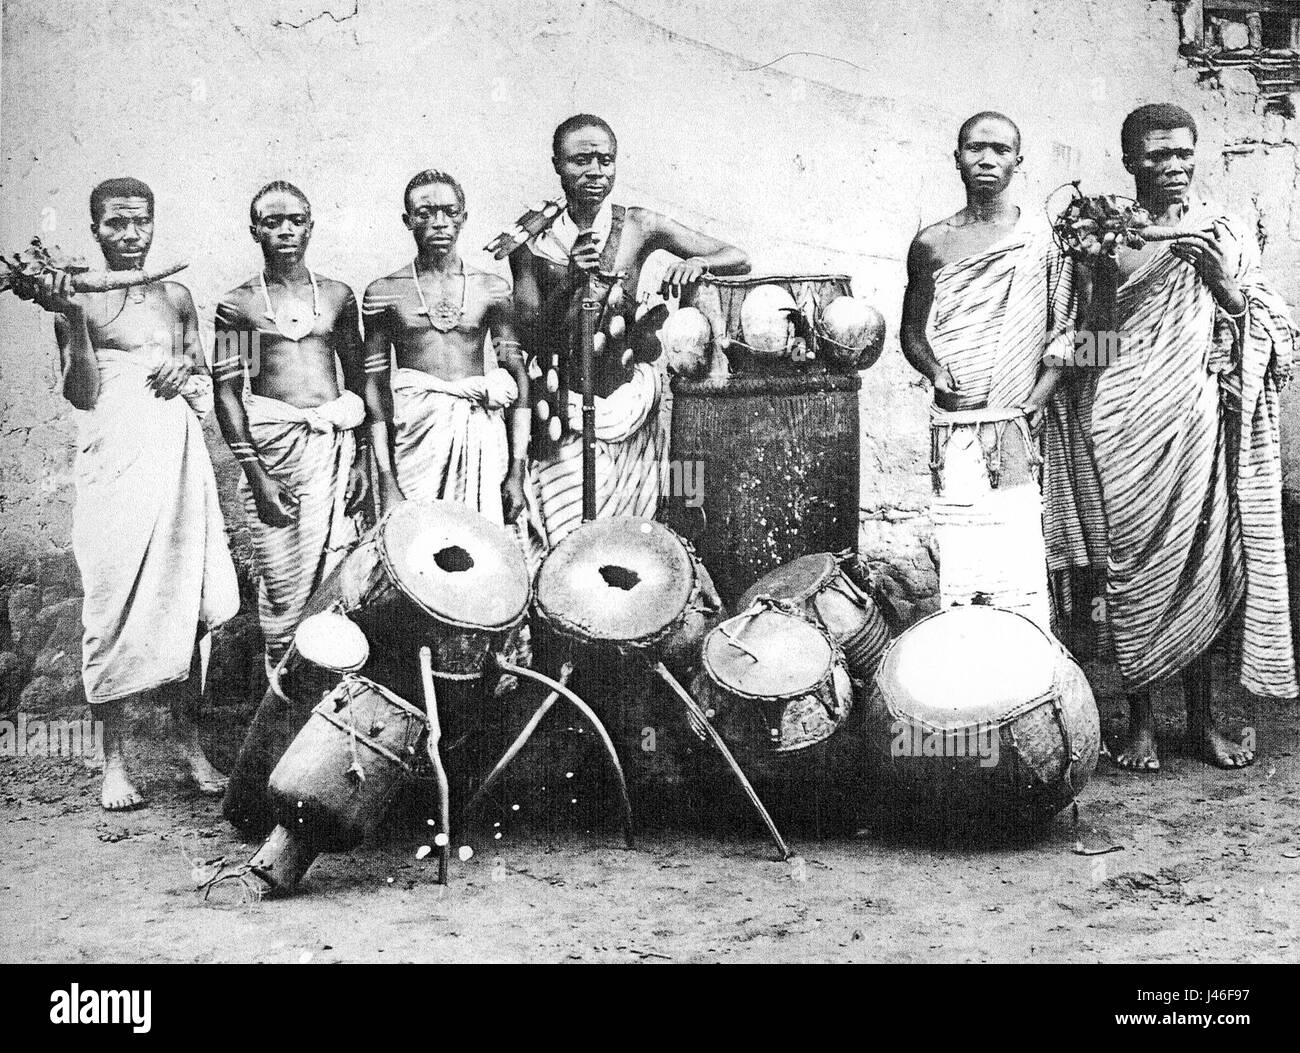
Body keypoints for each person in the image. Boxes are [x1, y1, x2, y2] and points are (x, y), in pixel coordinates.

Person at [1045, 103, 1298, 770]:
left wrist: (1222, 282)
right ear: (1130, 162)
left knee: (1205, 572)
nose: (1175, 166)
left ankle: (1206, 719)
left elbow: (1268, 336)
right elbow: (1092, 349)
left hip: (1198, 418)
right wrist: (1101, 274)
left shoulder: (1223, 232)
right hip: (1124, 422)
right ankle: (1142, 724)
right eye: (1158, 155)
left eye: (1184, 153)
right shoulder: (1105, 236)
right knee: (1132, 571)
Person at [15, 177, 239, 810]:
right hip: (115, 461)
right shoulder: (76, 297)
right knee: (113, 602)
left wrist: (182, 367)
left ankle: (188, 749)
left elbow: (198, 361)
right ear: (96, 231)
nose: (131, 234)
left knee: (190, 600)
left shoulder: (175, 295)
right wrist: (73, 319)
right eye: (116, 224)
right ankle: (114, 763)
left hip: (176, 458)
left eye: (140, 221)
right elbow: (82, 392)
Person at [509, 113, 750, 549]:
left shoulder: (638, 225)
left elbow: (737, 256)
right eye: (580, 161)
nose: (595, 173)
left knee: (645, 533)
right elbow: (527, 335)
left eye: (606, 160)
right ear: (557, 166)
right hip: (562, 412)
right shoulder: (532, 242)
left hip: (634, 407)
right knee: (568, 544)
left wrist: (698, 263)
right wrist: (568, 280)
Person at [900, 112, 1075, 631]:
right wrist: (933, 371)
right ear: (957, 158)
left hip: (1020, 423)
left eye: (1000, 150)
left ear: (1018, 161)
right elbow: (911, 332)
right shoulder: (931, 242)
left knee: (1018, 556)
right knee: (963, 556)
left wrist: (1041, 396)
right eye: (976, 148)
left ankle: (1026, 671)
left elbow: (1071, 332)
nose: (987, 159)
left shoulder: (1044, 239)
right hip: (954, 426)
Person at [213, 181, 368, 675]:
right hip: (277, 457)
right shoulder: (240, 307)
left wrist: (364, 458)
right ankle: (279, 701)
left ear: (310, 227)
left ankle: (333, 699)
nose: (285, 230)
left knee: (342, 572)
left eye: (296, 221)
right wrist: (259, 479)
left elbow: (360, 379)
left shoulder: (339, 297)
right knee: (281, 583)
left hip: (334, 452)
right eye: (273, 221)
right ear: (254, 229)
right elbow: (228, 392)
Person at [362, 170, 529, 527]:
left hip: (480, 438)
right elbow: (374, 390)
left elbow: (517, 376)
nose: (439, 222)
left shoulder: (492, 289)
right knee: (417, 547)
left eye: (449, 212)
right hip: (416, 440)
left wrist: (517, 470)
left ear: (463, 218)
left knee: (482, 547)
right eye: (425, 213)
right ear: (408, 221)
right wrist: (386, 481)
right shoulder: (383, 293)